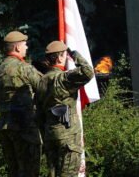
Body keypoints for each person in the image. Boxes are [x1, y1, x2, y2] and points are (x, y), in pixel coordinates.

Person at [37, 40, 95, 177]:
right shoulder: (63, 79)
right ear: (59, 57)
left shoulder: (42, 81)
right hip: (68, 138)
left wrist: (44, 133)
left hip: (50, 134)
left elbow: (38, 113)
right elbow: (88, 72)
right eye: (64, 55)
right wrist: (73, 53)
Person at [0, 31, 42, 177]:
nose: (27, 47)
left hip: (4, 124)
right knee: (29, 170)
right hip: (24, 125)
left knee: (14, 171)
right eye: (24, 44)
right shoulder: (23, 67)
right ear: (16, 48)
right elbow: (45, 87)